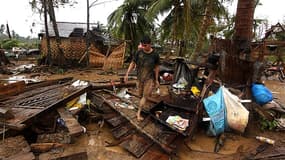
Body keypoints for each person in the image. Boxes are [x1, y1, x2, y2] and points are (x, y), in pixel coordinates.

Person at [124, 36, 160, 121]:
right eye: (142, 45)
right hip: (139, 78)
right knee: (140, 95)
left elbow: (157, 67)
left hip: (149, 79)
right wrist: (127, 74)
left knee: (145, 96)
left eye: (145, 45)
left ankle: (138, 113)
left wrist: (156, 79)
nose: (143, 47)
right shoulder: (139, 52)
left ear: (150, 44)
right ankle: (142, 107)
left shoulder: (155, 55)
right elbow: (133, 63)